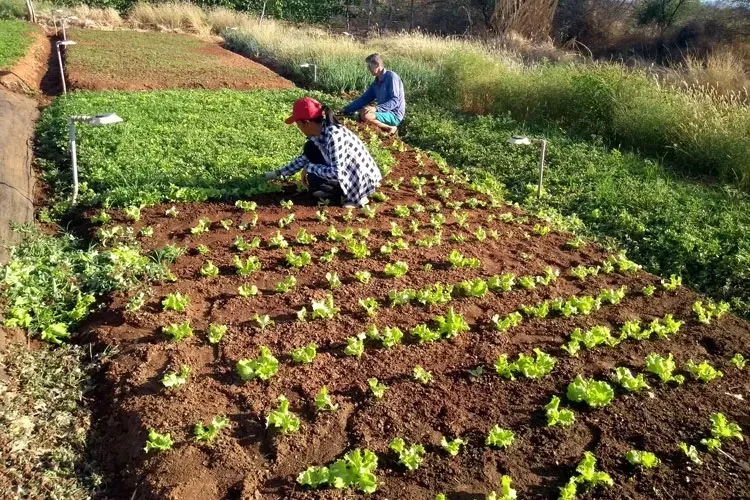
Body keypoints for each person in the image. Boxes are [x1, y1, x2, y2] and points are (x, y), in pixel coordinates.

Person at [264, 97, 382, 208]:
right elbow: (304, 158)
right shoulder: (319, 132)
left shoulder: (333, 136)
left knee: (315, 182)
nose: (298, 127)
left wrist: (310, 168)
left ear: (306, 123)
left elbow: (337, 172)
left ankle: (359, 197)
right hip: (346, 171)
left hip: (361, 179)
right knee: (310, 149)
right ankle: (342, 192)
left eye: (298, 124)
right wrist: (276, 174)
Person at [342, 53, 405, 135]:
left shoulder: (391, 77)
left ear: (377, 65)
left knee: (367, 116)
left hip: (394, 114)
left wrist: (376, 108)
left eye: (369, 66)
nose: (368, 69)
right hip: (383, 112)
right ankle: (381, 128)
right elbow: (364, 99)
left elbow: (395, 100)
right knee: (363, 111)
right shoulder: (376, 83)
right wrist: (346, 109)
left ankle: (391, 128)